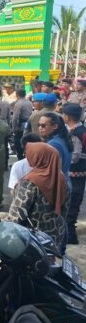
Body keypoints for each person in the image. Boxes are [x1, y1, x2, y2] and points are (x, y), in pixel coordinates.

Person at [7, 142, 69, 251]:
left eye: (30, 154)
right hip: (56, 233)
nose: (26, 156)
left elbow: (16, 214)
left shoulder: (30, 182)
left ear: (39, 157)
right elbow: (65, 208)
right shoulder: (61, 178)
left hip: (34, 238)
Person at [62, 103, 86, 244]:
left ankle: (70, 234)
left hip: (75, 172)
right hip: (81, 172)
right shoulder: (82, 130)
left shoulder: (75, 134)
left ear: (68, 116)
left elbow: (75, 156)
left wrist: (63, 160)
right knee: (75, 200)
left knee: (72, 201)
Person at [11, 89, 32, 159]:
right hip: (28, 124)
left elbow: (15, 118)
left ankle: (20, 158)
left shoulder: (18, 104)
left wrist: (14, 129)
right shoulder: (29, 102)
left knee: (18, 144)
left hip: (20, 126)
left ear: (17, 95)